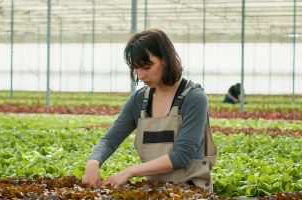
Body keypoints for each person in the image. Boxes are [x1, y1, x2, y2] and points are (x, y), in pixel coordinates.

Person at [82, 28, 217, 191]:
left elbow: (183, 156)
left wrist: (130, 171)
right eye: (136, 68)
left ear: (166, 59)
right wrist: (93, 163)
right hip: (155, 189)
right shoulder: (139, 99)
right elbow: (110, 140)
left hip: (190, 189)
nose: (140, 75)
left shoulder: (193, 98)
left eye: (146, 67)